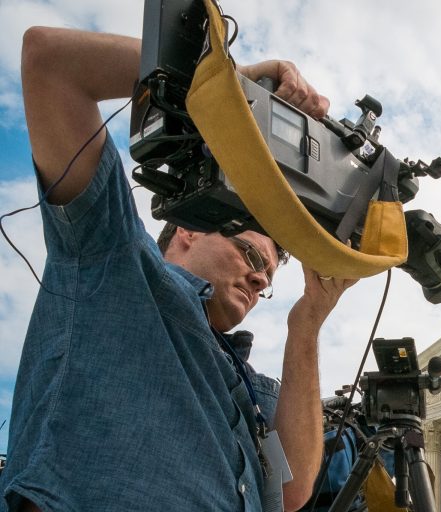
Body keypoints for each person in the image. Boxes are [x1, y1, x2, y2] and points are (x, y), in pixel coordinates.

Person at [0, 27, 356, 512]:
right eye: (253, 257)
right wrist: (226, 87)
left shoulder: (253, 389)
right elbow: (51, 64)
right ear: (189, 230)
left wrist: (307, 323)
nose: (260, 280)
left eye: (269, 277)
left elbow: (290, 495)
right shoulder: (117, 258)